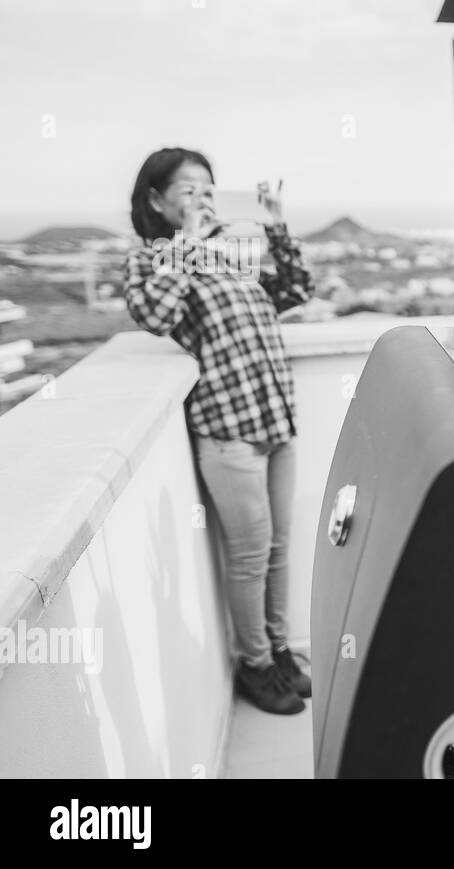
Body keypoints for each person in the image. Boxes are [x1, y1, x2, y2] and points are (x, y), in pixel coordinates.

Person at [124, 148, 314, 715]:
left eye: (208, 188)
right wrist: (185, 241)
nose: (201, 199)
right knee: (251, 555)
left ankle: (278, 651)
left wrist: (275, 222)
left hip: (275, 418)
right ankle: (254, 666)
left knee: (279, 548)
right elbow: (155, 314)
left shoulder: (229, 255)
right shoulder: (152, 260)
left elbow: (294, 292)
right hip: (228, 432)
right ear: (156, 200)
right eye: (187, 190)